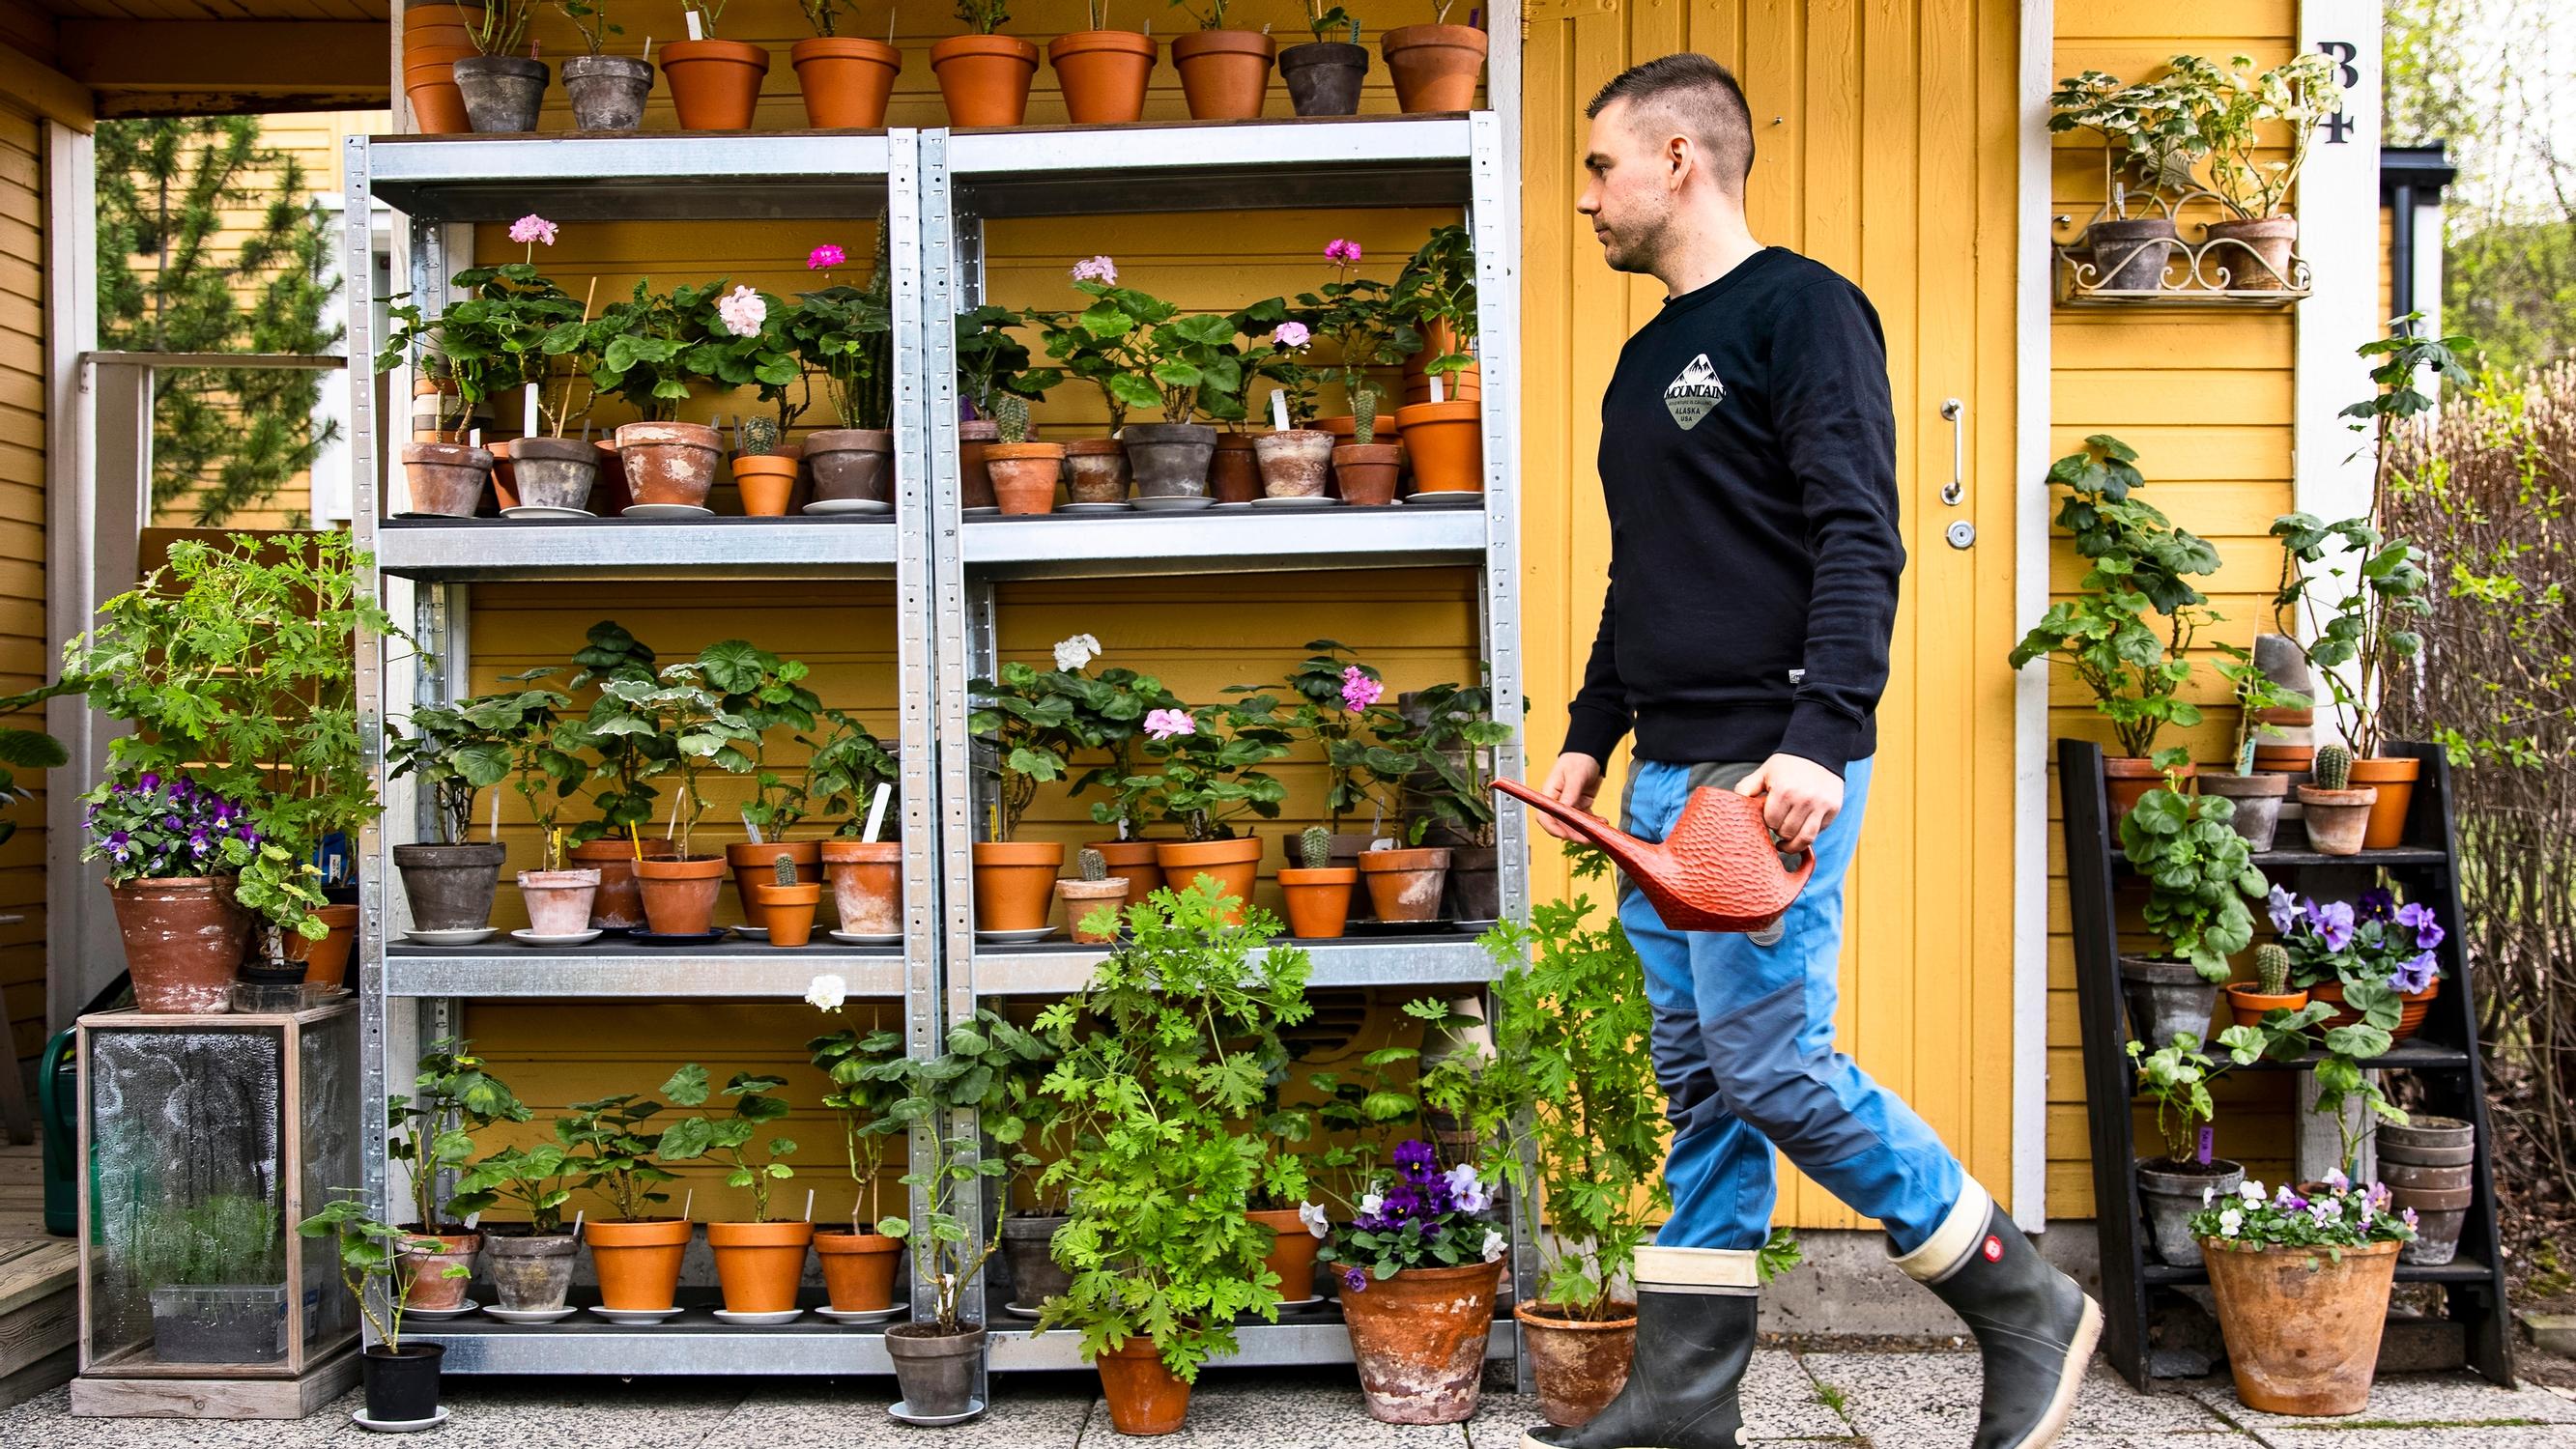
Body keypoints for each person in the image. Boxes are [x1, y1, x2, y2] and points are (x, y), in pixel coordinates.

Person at [1517, 53, 2100, 1449]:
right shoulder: (1643, 358)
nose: (1584, 197)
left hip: (1763, 766)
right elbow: (1643, 570)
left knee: (1770, 1063)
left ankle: (2018, 1299)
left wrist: (1823, 736)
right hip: (1664, 770)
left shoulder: (1801, 312)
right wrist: (1593, 738)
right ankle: (1679, 1400)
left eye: (1599, 166)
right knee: (1701, 1080)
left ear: (1676, 160)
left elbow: (1859, 533)